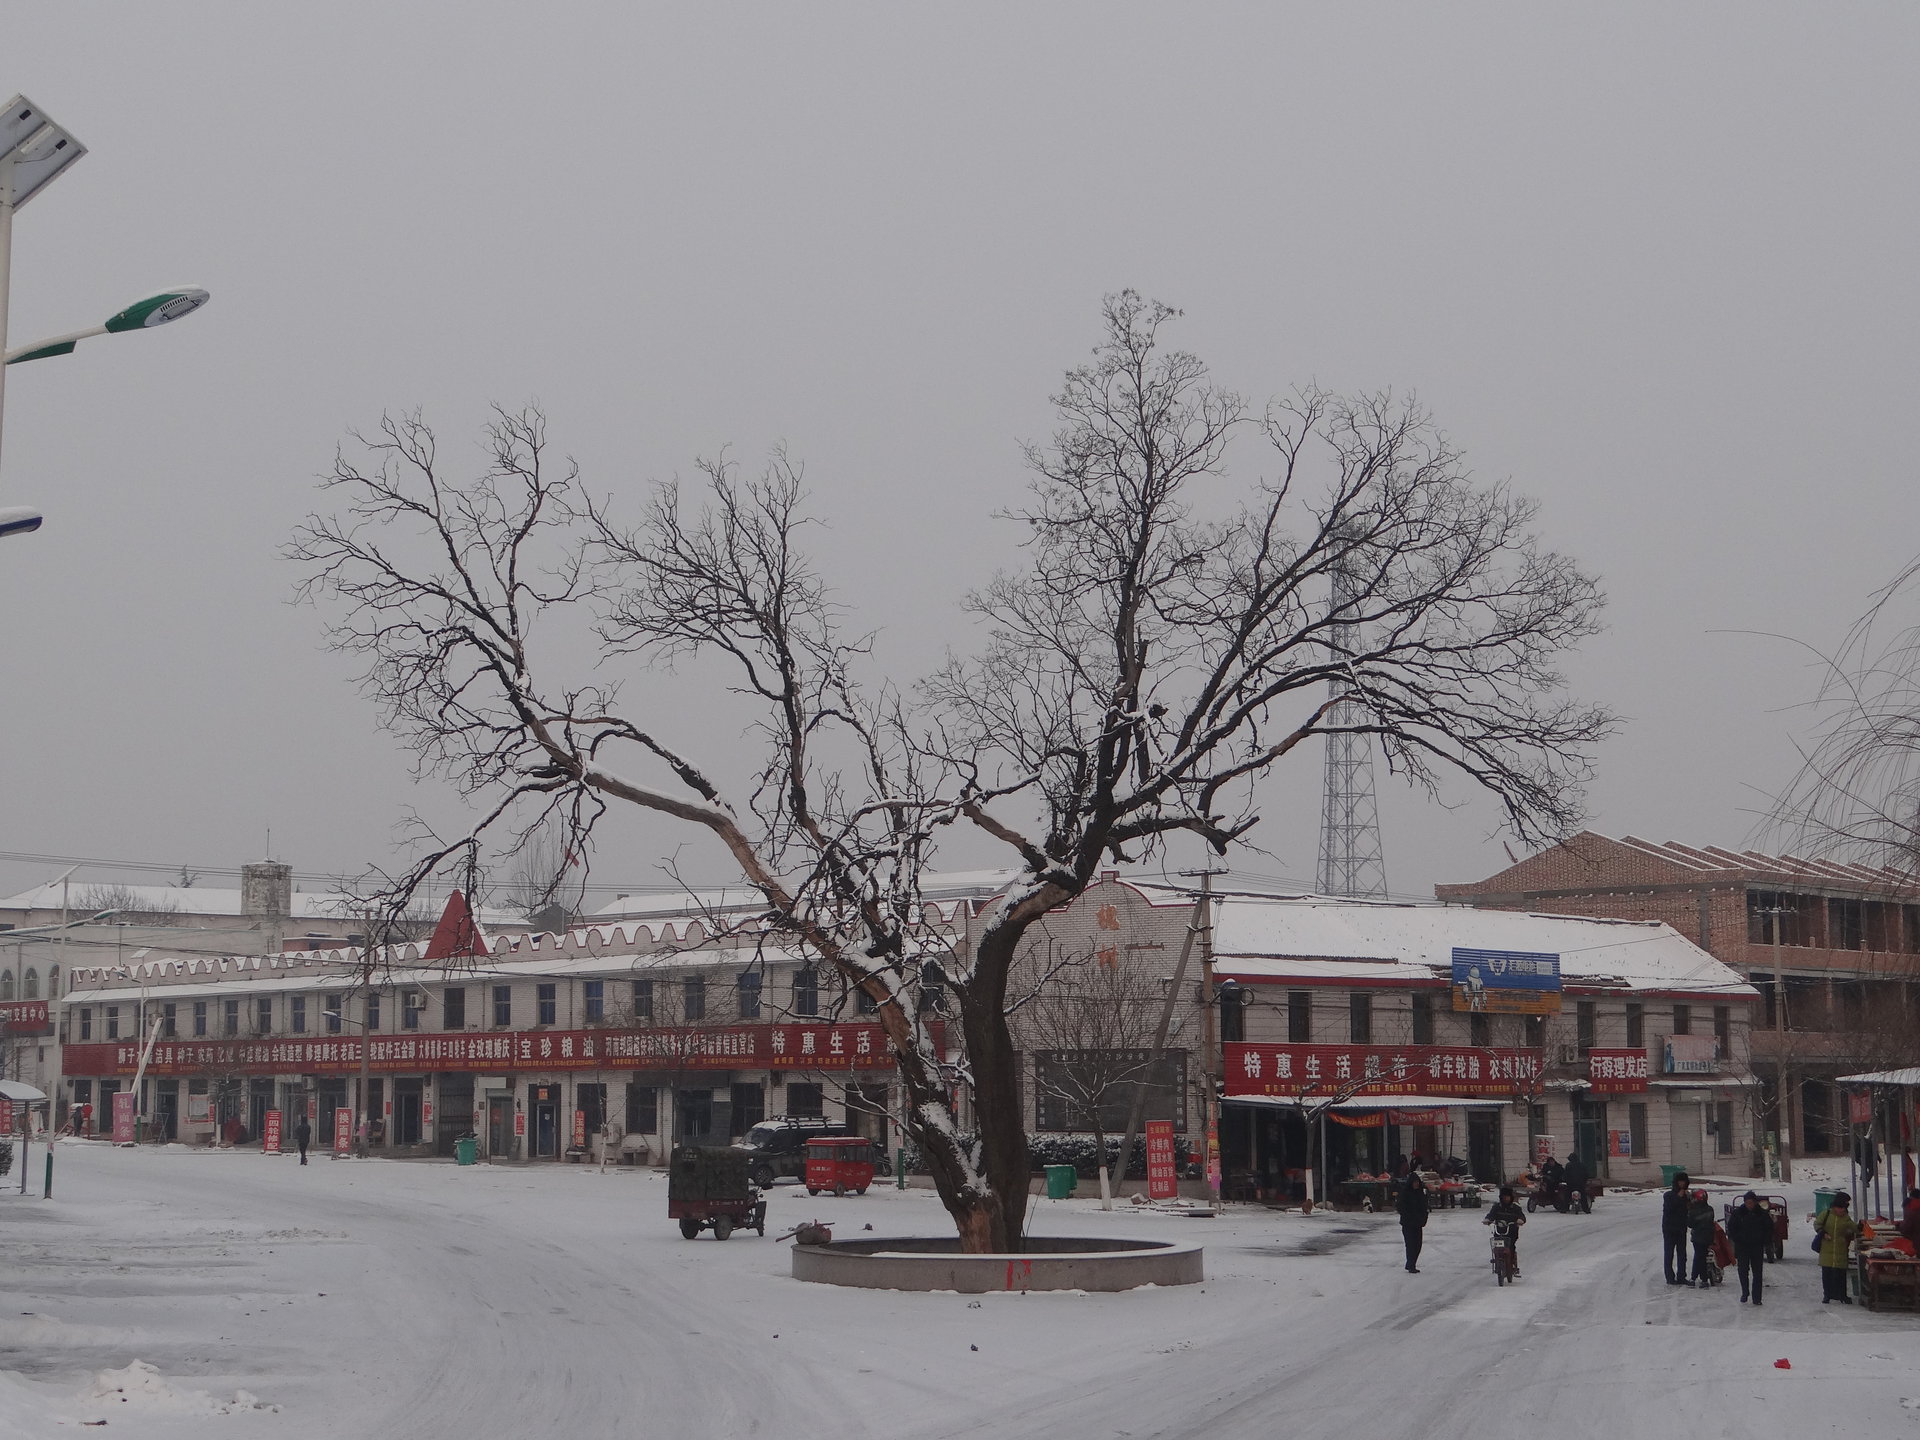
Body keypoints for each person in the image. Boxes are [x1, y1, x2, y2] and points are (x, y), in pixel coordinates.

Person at [1727, 1190, 1771, 1305]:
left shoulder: (1762, 1213)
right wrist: (1737, 1238)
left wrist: (1764, 1240)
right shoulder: (1738, 1213)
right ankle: (1745, 1292)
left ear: (1755, 1202)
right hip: (1743, 1247)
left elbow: (1769, 1228)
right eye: (1747, 1202)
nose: (1749, 1205)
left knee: (1757, 1273)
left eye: (1751, 1202)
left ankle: (1757, 1298)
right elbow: (1731, 1227)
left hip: (1757, 1246)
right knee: (1742, 1271)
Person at [1814, 1192, 1858, 1304]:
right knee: (1827, 1273)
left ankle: (1842, 1295)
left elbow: (1854, 1229)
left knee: (1841, 1273)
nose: (1842, 1211)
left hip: (1840, 1249)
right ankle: (1827, 1295)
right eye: (1840, 1208)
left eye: (1844, 1209)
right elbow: (1817, 1224)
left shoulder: (1846, 1218)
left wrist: (1855, 1230)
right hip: (1826, 1249)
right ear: (1835, 1207)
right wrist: (1823, 1234)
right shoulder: (1826, 1214)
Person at [1483, 1185, 1527, 1274]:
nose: (1506, 1199)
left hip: (1511, 1232)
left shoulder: (1516, 1208)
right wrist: (1488, 1220)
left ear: (1511, 1197)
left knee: (1510, 1246)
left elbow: (1522, 1217)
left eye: (1507, 1197)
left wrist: (1520, 1220)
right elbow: (1491, 1215)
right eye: (1504, 1197)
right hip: (1499, 1231)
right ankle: (1497, 1261)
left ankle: (1512, 1263)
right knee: (1497, 1246)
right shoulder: (1496, 1207)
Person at [1661, 1170, 1692, 1284]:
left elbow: (1689, 1209)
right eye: (1680, 1181)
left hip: (1681, 1227)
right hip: (1669, 1228)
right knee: (1669, 1253)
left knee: (1682, 1254)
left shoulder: (1686, 1196)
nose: (1682, 1184)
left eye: (1684, 1181)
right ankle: (1670, 1277)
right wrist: (1678, 1197)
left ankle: (1681, 1276)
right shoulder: (1668, 1195)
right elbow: (1669, 1209)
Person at [1398, 1171, 1431, 1273]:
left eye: (1417, 1182)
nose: (1416, 1184)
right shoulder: (1405, 1193)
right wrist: (1408, 1216)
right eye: (1414, 1182)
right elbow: (1400, 1207)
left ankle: (1411, 1263)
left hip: (1417, 1223)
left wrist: (1424, 1217)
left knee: (1417, 1245)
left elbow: (1424, 1207)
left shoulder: (1420, 1194)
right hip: (1408, 1223)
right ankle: (1410, 1265)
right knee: (1410, 1244)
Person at [1687, 1190, 1718, 1285]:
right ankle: (1702, 1278)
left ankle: (1697, 1278)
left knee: (1699, 1256)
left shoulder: (1693, 1211)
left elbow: (1690, 1224)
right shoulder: (1710, 1209)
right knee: (1701, 1255)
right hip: (1709, 1236)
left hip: (1698, 1237)